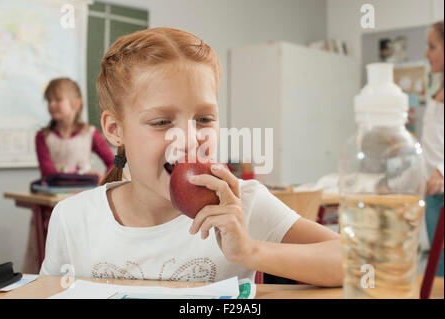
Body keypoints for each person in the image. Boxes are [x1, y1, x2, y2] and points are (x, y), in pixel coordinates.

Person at [39, 28, 343, 286]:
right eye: (161, 122)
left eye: (205, 119)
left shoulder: (241, 204)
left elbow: (357, 260)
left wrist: (251, 251)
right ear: (115, 130)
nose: (189, 137)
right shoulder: (72, 219)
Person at [23, 78, 115, 274]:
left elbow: (113, 162)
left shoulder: (90, 133)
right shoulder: (43, 136)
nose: (51, 105)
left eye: (57, 99)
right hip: (50, 208)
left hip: (83, 205)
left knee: (82, 254)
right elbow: (49, 175)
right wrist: (84, 177)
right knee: (49, 256)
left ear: (76, 103)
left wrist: (102, 179)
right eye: (48, 101)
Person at [423, 20, 444, 277]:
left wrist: (441, 170)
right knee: (438, 268)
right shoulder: (437, 90)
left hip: (441, 188)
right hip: (433, 194)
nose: (426, 54)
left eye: (432, 46)